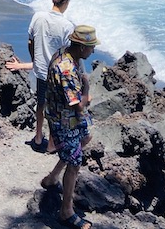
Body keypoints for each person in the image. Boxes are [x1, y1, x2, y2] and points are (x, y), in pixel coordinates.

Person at [40, 24, 99, 229]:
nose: (93, 51)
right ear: (82, 47)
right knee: (74, 163)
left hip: (67, 114)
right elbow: (78, 104)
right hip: (64, 119)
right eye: (92, 47)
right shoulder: (66, 69)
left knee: (86, 138)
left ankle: (52, 178)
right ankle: (66, 211)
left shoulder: (64, 53)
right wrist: (87, 88)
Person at [25, 0, 75, 152]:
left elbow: (30, 41)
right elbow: (68, 54)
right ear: (66, 3)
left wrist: (34, 60)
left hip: (41, 70)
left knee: (41, 104)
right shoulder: (67, 26)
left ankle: (38, 138)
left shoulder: (38, 17)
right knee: (55, 110)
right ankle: (52, 145)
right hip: (57, 74)